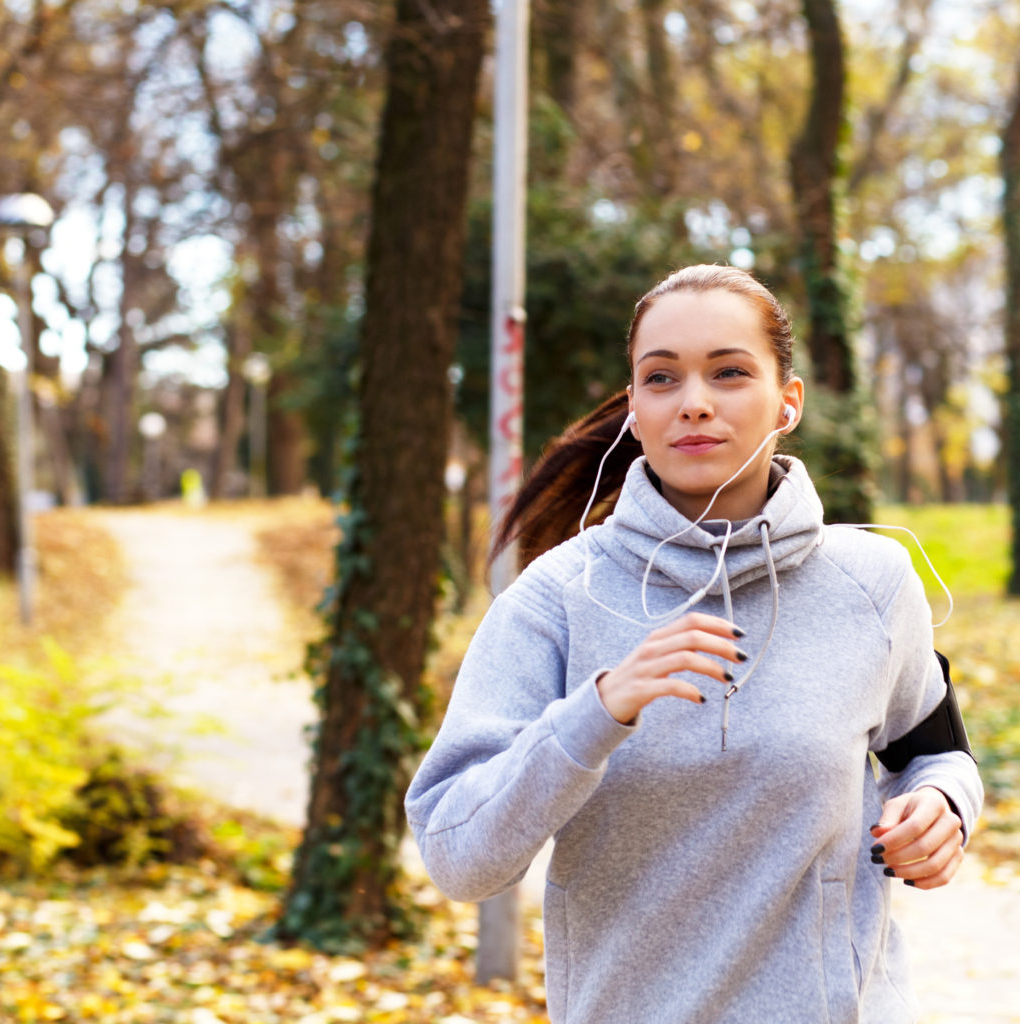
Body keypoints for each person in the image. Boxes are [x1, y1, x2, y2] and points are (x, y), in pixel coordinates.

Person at [406, 264, 983, 1024]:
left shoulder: (872, 583)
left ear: (788, 401)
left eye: (729, 372)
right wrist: (597, 714)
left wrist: (944, 805)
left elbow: (934, 756)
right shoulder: (557, 598)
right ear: (636, 411)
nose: (695, 403)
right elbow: (458, 857)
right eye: (662, 378)